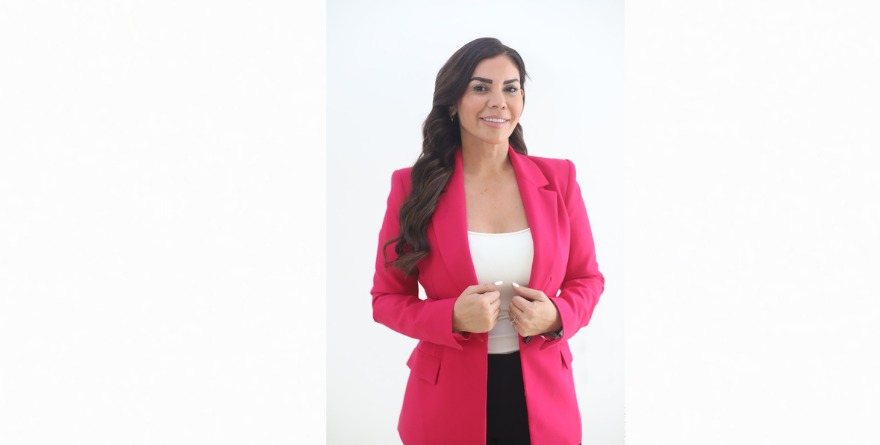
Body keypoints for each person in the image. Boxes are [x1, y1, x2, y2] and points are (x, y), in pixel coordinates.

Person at [371, 37, 605, 445]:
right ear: (452, 101)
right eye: (481, 87)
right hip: (445, 404)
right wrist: (450, 317)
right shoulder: (412, 188)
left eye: (511, 88)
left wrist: (557, 316)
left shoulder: (559, 179)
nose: (499, 101)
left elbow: (588, 279)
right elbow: (386, 300)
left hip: (545, 400)